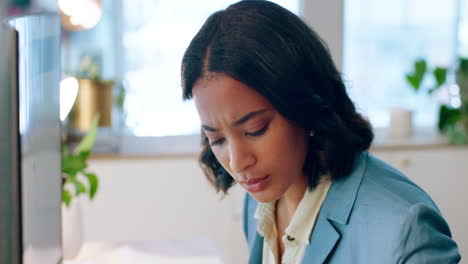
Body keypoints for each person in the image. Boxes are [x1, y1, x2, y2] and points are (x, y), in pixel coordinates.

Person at [180, 1, 461, 263]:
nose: (238, 163)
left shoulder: (405, 229)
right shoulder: (258, 205)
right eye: (217, 139)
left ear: (305, 104)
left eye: (255, 130)